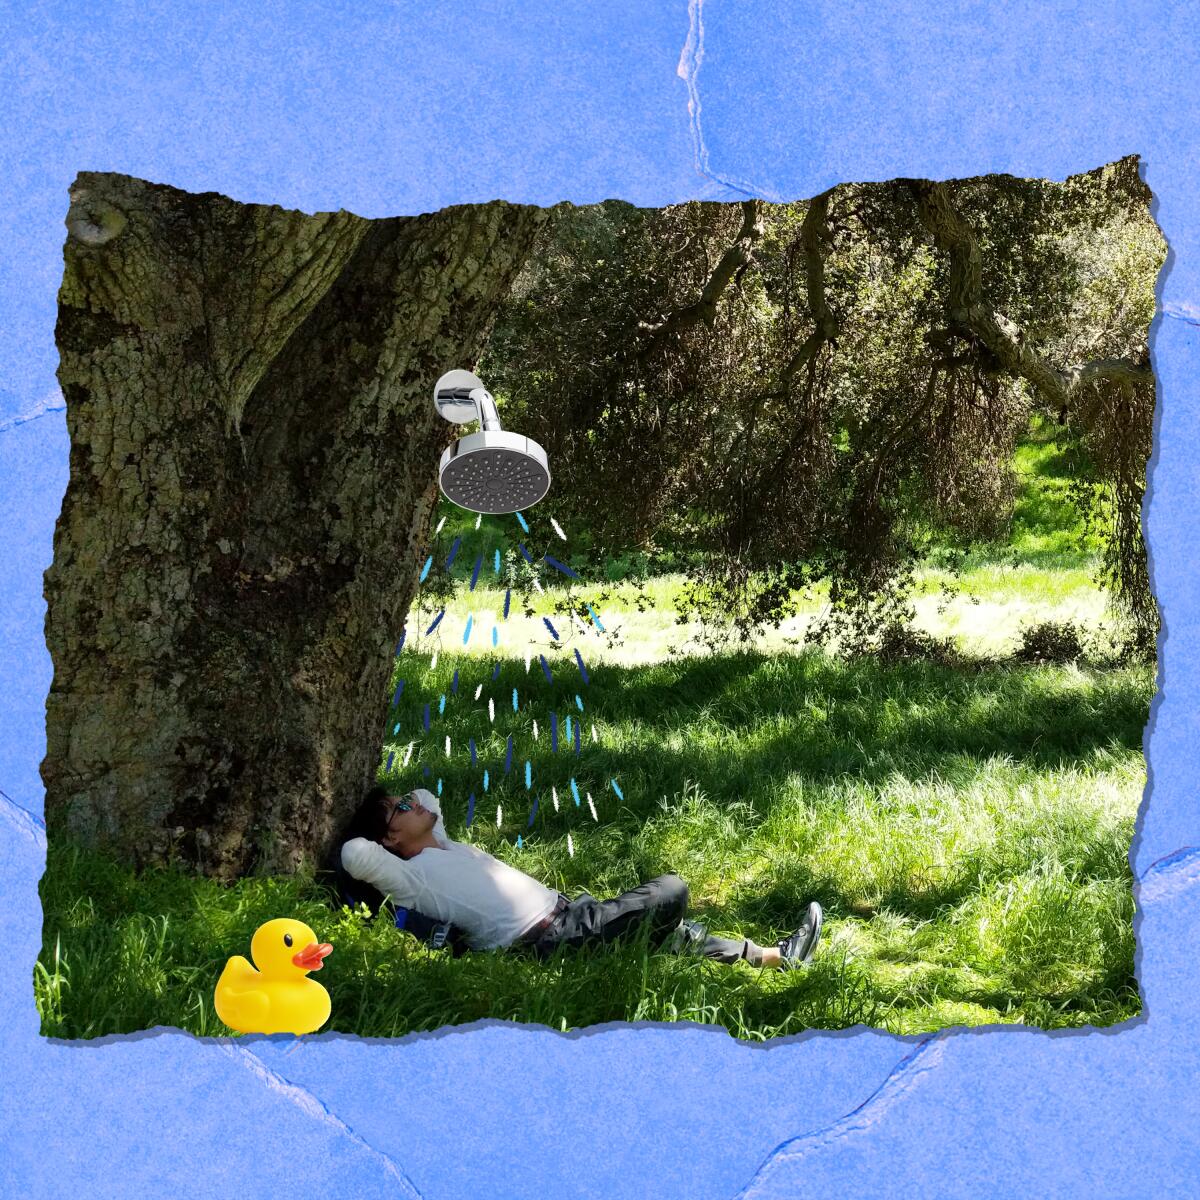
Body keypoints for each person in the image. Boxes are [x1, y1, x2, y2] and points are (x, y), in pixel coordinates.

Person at [339, 785, 823, 969]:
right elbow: (354, 853)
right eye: (400, 808)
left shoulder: (442, 843)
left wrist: (405, 811)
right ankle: (754, 953)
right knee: (671, 891)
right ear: (388, 840)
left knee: (657, 935)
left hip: (570, 912)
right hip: (549, 938)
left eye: (407, 800)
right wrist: (381, 834)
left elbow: (430, 798)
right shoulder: (410, 877)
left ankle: (774, 958)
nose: (414, 802)